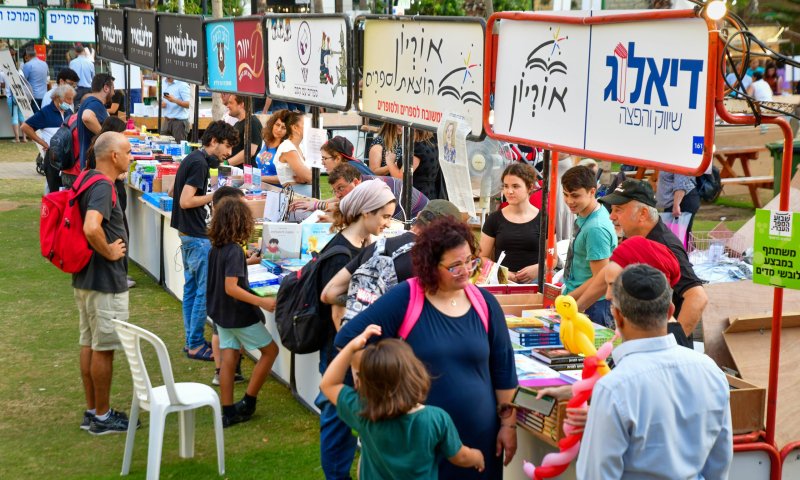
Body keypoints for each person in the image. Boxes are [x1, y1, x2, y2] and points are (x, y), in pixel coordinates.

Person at [336, 217, 518, 479]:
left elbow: (503, 369)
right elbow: (349, 339)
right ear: (431, 266)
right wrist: (378, 392)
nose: (466, 271)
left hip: (479, 441)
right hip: (421, 443)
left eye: (470, 261)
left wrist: (508, 425)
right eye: (455, 266)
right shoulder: (406, 297)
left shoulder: (485, 303)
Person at [576, 264, 732, 478]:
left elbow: (596, 474)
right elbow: (720, 462)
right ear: (670, 311)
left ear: (617, 316)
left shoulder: (615, 388)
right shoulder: (710, 371)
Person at [314, 180, 398, 480]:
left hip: (348, 348)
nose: (388, 223)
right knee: (338, 417)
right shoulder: (344, 253)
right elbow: (338, 310)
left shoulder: (360, 246)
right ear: (366, 213)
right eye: (384, 216)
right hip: (342, 349)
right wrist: (352, 358)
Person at [320, 327, 485, 478]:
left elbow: (328, 385)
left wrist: (350, 348)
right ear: (415, 374)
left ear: (365, 382)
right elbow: (460, 456)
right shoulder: (435, 418)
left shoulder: (363, 412)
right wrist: (476, 457)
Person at [599, 179, 707, 348]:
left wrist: (673, 343)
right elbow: (605, 277)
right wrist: (574, 302)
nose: (611, 216)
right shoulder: (634, 235)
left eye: (618, 210)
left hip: (667, 350)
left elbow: (698, 297)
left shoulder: (665, 245)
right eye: (611, 210)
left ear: (642, 214)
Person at [73, 132, 133, 435]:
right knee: (104, 348)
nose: (131, 157)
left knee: (90, 343)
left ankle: (93, 410)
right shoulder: (102, 186)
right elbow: (91, 226)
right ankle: (102, 415)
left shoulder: (86, 178)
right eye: (128, 151)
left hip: (85, 276)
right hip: (103, 280)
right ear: (113, 156)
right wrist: (109, 250)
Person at [206, 197, 279, 427]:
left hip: (221, 314)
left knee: (229, 357)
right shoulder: (235, 250)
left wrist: (249, 263)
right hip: (238, 315)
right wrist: (262, 303)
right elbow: (231, 288)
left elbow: (227, 275)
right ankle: (249, 400)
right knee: (270, 351)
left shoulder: (217, 248)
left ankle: (227, 411)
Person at [170, 121, 239, 361]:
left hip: (189, 234)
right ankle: (196, 343)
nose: (228, 153)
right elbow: (185, 201)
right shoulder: (199, 164)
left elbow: (173, 192)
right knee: (202, 292)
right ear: (213, 141)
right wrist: (217, 195)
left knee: (191, 289)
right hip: (197, 237)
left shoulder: (193, 159)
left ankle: (192, 340)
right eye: (227, 146)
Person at [320, 199, 461, 308]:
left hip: (363, 337)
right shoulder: (431, 264)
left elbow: (329, 294)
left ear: (418, 216)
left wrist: (368, 302)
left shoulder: (377, 246)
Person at [560, 165, 617, 326]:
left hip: (593, 306)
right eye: (565, 195)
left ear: (592, 192)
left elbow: (600, 278)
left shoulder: (595, 229)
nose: (569, 201)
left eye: (575, 196)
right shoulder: (586, 214)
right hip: (580, 299)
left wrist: (570, 299)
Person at [295, 163, 429, 223]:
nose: (337, 194)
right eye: (335, 190)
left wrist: (317, 205)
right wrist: (319, 203)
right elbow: (342, 200)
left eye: (340, 188)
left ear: (356, 181)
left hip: (417, 214)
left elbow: (348, 207)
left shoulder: (369, 188)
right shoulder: (358, 183)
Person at [479, 163, 541, 284]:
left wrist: (538, 268)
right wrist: (503, 273)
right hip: (502, 282)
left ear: (530, 187)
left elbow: (552, 258)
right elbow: (482, 257)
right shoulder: (494, 219)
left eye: (515, 186)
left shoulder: (543, 219)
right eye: (506, 186)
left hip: (535, 283)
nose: (509, 191)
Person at [21, 84, 75, 193]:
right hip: (52, 159)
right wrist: (43, 143)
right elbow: (25, 127)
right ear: (57, 98)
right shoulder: (45, 112)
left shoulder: (69, 112)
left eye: (71, 99)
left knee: (67, 191)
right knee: (54, 191)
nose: (70, 102)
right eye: (68, 99)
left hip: (68, 158)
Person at [386, 129, 445, 200]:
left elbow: (401, 177)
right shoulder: (432, 144)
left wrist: (390, 162)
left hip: (416, 197)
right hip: (430, 194)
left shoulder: (417, 148)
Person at [77, 74, 115, 169]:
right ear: (106, 88)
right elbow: (87, 117)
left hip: (89, 163)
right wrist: (104, 137)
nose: (114, 93)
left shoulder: (88, 101)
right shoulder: (95, 103)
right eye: (113, 89)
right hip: (94, 165)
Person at [656, 171, 700, 245]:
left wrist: (676, 205)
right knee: (679, 236)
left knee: (677, 238)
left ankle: (685, 255)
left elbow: (681, 184)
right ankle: (689, 254)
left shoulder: (679, 161)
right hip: (675, 202)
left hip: (682, 201)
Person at [275, 111, 312, 196]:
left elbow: (314, 174)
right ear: (295, 128)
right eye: (306, 124)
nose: (309, 127)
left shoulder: (300, 147)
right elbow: (309, 176)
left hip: (304, 196)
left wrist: (307, 179)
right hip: (296, 197)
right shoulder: (287, 148)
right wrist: (307, 178)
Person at [225, 94, 263, 167]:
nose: (228, 106)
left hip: (244, 175)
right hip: (235, 172)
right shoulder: (237, 124)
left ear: (241, 104)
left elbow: (250, 151)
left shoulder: (252, 122)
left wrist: (226, 163)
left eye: (231, 103)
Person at [255, 109, 289, 187]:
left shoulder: (286, 148)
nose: (279, 129)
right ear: (272, 124)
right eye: (277, 125)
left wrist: (261, 178)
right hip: (259, 190)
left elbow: (285, 178)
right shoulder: (266, 142)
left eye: (283, 127)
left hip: (278, 193)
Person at [0, 69, 27, 143]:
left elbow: (2, 85)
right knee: (22, 117)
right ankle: (24, 138)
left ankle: (17, 138)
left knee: (14, 117)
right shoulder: (20, 71)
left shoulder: (3, 73)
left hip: (11, 97)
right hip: (21, 96)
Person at [161, 77, 191, 142]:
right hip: (166, 121)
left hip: (179, 123)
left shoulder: (183, 85)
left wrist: (174, 100)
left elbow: (190, 104)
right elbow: (160, 99)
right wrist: (160, 103)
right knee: (162, 146)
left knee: (179, 148)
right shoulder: (162, 82)